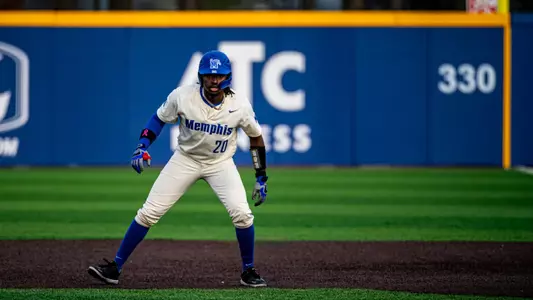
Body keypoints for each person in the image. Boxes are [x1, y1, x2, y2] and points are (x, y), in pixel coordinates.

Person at [87, 50, 269, 288]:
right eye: (208, 76)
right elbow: (159, 118)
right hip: (186, 159)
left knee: (243, 215)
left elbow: (256, 137)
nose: (214, 81)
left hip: (220, 163)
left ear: (228, 77)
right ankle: (114, 267)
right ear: (200, 76)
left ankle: (248, 270)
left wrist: (261, 176)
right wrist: (142, 145)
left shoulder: (240, 105)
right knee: (149, 212)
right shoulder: (182, 96)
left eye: (219, 76)